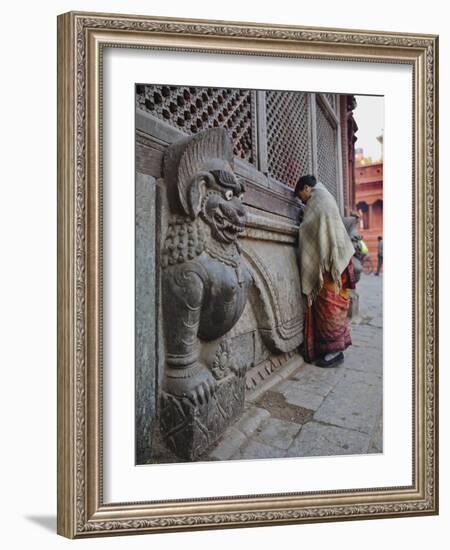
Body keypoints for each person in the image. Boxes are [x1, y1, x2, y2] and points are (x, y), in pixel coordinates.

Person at [295, 175, 356, 368]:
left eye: (301, 196)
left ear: (306, 188)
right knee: (336, 307)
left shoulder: (317, 200)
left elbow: (309, 228)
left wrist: (301, 224)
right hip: (339, 262)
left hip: (330, 268)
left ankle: (334, 352)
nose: (302, 201)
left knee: (329, 309)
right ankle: (335, 349)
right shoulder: (325, 196)